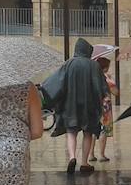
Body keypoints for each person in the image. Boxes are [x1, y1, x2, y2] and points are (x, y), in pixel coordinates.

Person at [42, 38, 109, 174]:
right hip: (89, 106)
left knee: (71, 132)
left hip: (70, 105)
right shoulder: (94, 65)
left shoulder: (69, 64)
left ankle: (72, 157)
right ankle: (84, 163)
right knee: (88, 132)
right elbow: (101, 86)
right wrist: (104, 96)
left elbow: (56, 82)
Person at [90, 55, 118, 162]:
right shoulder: (106, 78)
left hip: (93, 106)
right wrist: (112, 80)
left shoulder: (92, 77)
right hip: (105, 108)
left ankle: (91, 155)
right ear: (105, 67)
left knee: (93, 131)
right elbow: (116, 92)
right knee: (103, 131)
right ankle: (101, 155)